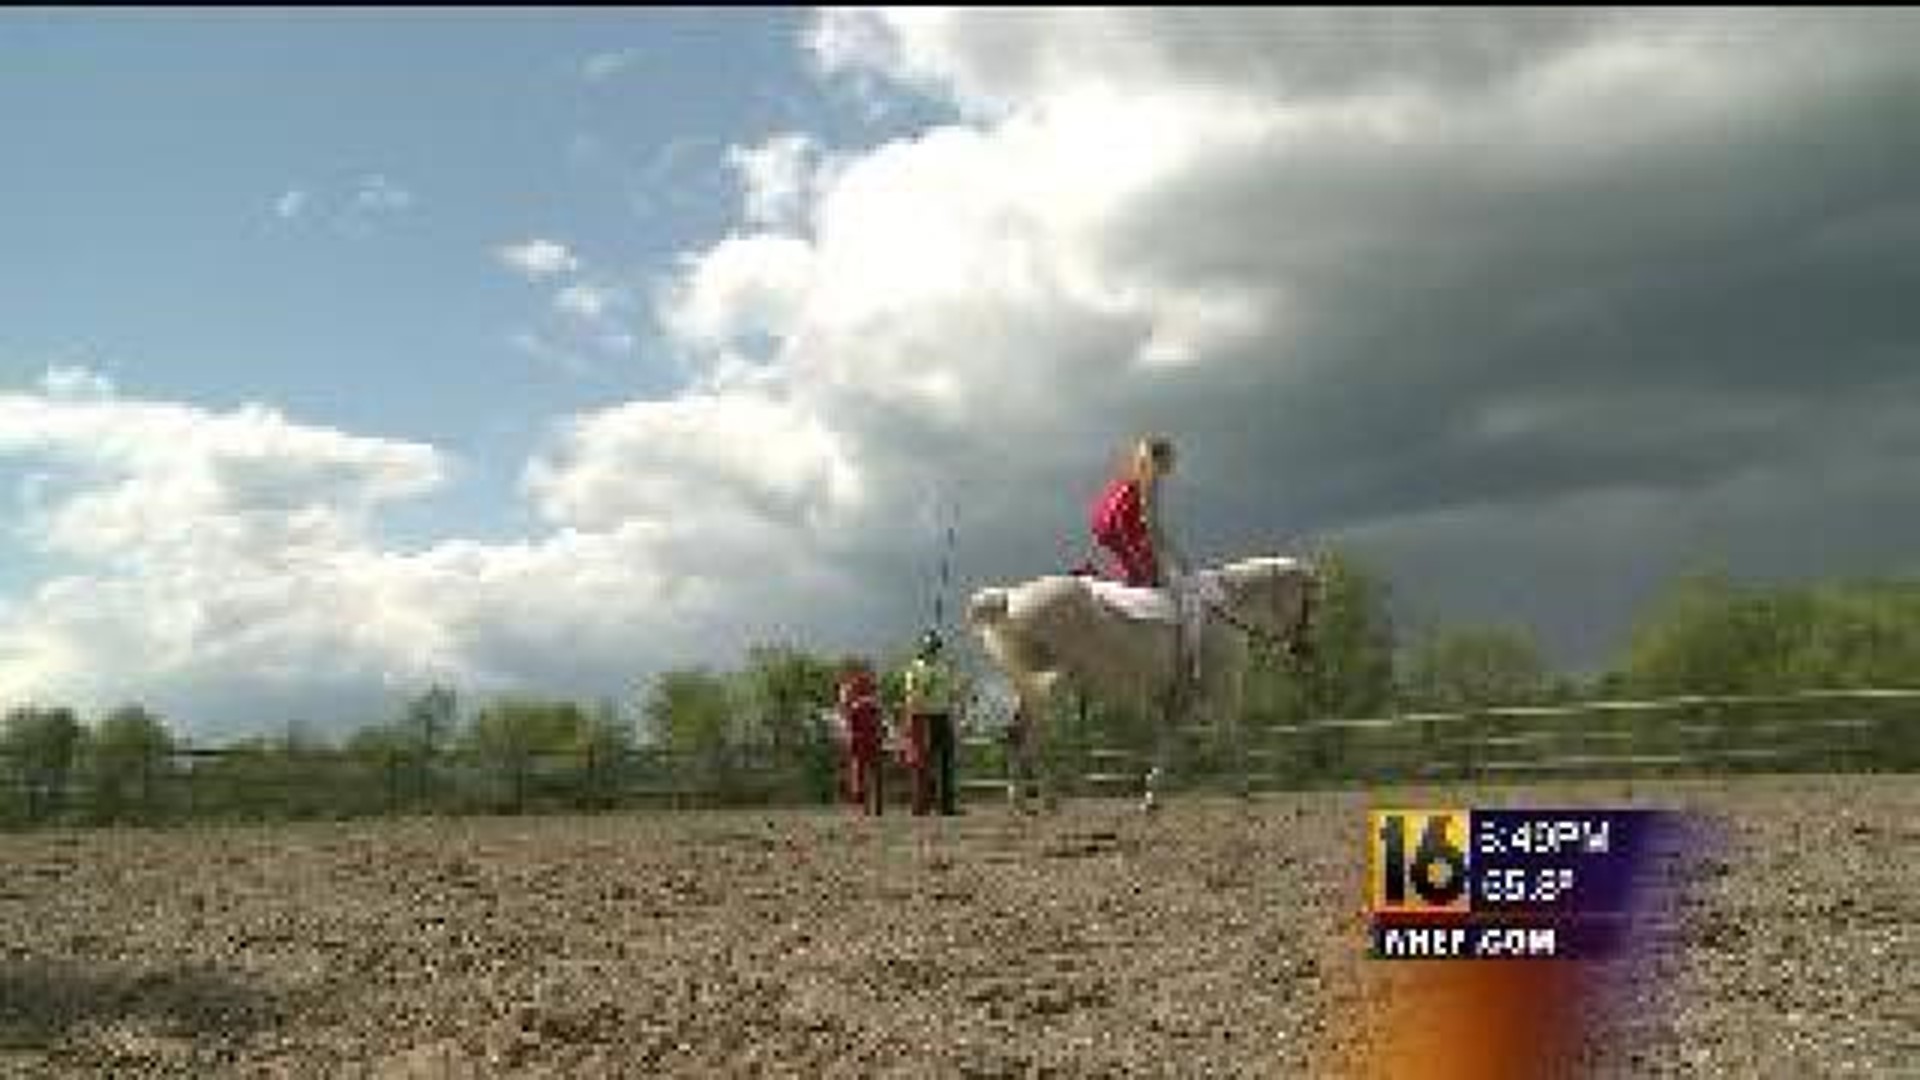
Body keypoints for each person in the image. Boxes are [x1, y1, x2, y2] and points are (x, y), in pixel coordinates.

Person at [1089, 435, 1208, 685]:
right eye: (1171, 459)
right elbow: (1151, 526)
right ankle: (1189, 667)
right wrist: (1174, 559)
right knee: (1180, 594)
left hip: (1110, 531)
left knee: (1145, 585)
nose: (1173, 466)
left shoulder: (1129, 475)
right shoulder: (1149, 480)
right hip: (1124, 533)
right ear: (1160, 458)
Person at [902, 629, 959, 816]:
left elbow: (951, 692)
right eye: (931, 647)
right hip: (924, 716)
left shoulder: (944, 666)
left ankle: (946, 805)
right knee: (923, 763)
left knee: (946, 762)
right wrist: (926, 688)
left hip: (943, 716)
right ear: (924, 648)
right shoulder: (915, 668)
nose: (934, 650)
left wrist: (954, 704)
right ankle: (921, 805)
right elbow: (912, 696)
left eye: (936, 647)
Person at [837, 657, 885, 816]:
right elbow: (844, 710)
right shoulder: (848, 688)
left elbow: (879, 707)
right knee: (860, 768)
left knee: (873, 768)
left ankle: (876, 806)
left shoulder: (872, 687)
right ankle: (863, 805)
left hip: (871, 731)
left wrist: (880, 727)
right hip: (858, 731)